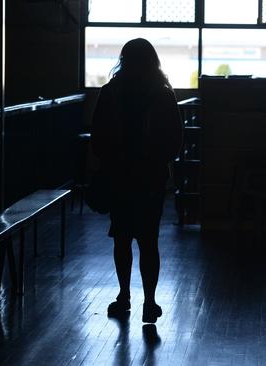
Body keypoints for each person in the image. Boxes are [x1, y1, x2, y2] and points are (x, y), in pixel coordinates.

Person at [91, 38, 182, 321]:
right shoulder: (163, 94)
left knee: (121, 238)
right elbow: (175, 141)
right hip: (151, 178)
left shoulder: (111, 93)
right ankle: (150, 301)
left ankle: (124, 295)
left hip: (119, 176)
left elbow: (97, 137)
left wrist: (110, 162)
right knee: (148, 240)